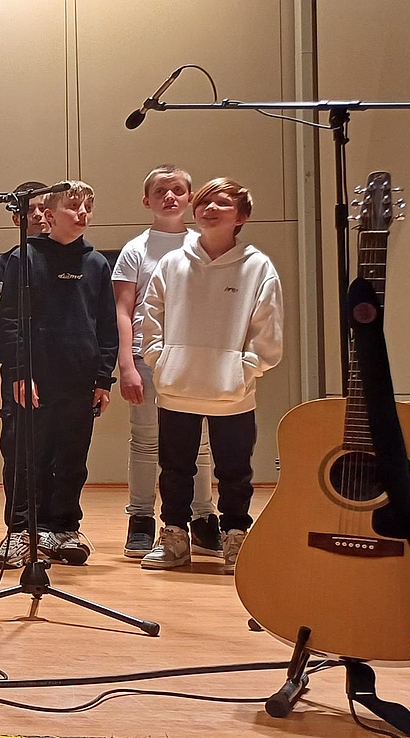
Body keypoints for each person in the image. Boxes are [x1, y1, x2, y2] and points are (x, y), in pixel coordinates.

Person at [140, 178, 282, 573]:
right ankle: (174, 537)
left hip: (232, 393)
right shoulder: (172, 263)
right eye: (204, 203)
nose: (210, 209)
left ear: (241, 217)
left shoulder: (258, 266)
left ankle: (235, 536)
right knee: (175, 470)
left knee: (235, 472)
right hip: (177, 388)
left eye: (222, 203)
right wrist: (161, 361)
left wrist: (244, 369)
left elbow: (267, 331)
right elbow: (150, 318)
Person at [0, 180, 116, 566]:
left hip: (79, 381)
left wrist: (103, 379)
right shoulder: (24, 259)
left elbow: (106, 325)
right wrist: (19, 372)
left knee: (71, 459)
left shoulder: (97, 264)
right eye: (73, 207)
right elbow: (10, 320)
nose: (82, 214)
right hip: (34, 379)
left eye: (87, 208)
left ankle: (64, 528)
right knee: (27, 458)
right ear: (48, 215)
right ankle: (20, 532)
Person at [113, 165, 218, 559]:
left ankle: (203, 518)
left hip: (194, 359)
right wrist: (127, 364)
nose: (169, 197)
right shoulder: (135, 250)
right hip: (148, 357)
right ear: (147, 200)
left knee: (200, 443)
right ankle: (141, 518)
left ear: (190, 197)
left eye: (177, 190)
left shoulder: (204, 245)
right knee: (146, 440)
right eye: (161, 191)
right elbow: (123, 310)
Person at [0, 182, 49, 570]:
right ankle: (19, 530)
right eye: (28, 210)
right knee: (18, 449)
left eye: (43, 208)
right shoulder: (3, 264)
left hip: (60, 373)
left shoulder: (71, 261)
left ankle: (54, 530)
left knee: (59, 453)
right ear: (15, 218)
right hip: (17, 375)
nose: (37, 216)